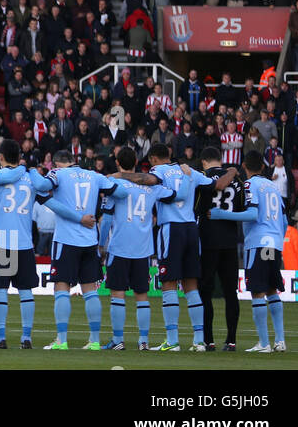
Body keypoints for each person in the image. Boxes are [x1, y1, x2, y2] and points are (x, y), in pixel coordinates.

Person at [38, 151, 130, 350]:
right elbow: (122, 193)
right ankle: (94, 341)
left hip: (66, 239)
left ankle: (61, 341)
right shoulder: (95, 176)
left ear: (57, 163)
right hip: (89, 240)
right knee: (90, 291)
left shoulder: (58, 174)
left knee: (61, 288)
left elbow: (42, 187)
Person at [148, 143, 233, 351]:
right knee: (191, 286)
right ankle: (198, 341)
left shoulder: (157, 171)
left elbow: (153, 188)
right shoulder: (190, 171)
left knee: (168, 283)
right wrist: (232, 171)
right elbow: (219, 186)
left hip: (171, 229)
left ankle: (172, 341)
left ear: (153, 158)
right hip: (191, 230)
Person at [207, 151, 286, 353]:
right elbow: (284, 221)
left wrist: (221, 214)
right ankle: (280, 340)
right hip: (274, 243)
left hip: (258, 242)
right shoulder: (273, 187)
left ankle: (264, 343)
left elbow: (252, 214)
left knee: (258, 290)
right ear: (262, 167)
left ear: (244, 166)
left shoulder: (250, 185)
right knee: (271, 289)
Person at [102, 147, 176, 350]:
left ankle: (118, 340)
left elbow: (107, 217)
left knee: (117, 293)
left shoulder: (114, 183)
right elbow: (173, 195)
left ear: (117, 163)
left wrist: (101, 245)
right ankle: (143, 341)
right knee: (142, 295)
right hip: (143, 248)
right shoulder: (152, 186)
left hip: (119, 246)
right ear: (136, 161)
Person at [0, 139, 42, 349]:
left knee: (0, 289)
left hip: (3, 241)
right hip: (24, 241)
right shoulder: (31, 179)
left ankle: (0, 338)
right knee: (26, 290)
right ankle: (26, 338)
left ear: (0, 157)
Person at [194, 146, 245, 351]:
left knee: (205, 291)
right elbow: (242, 208)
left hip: (208, 241)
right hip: (230, 242)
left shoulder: (202, 177)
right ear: (220, 159)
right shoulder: (236, 180)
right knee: (230, 292)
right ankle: (231, 340)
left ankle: (209, 340)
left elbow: (196, 209)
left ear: (204, 161)